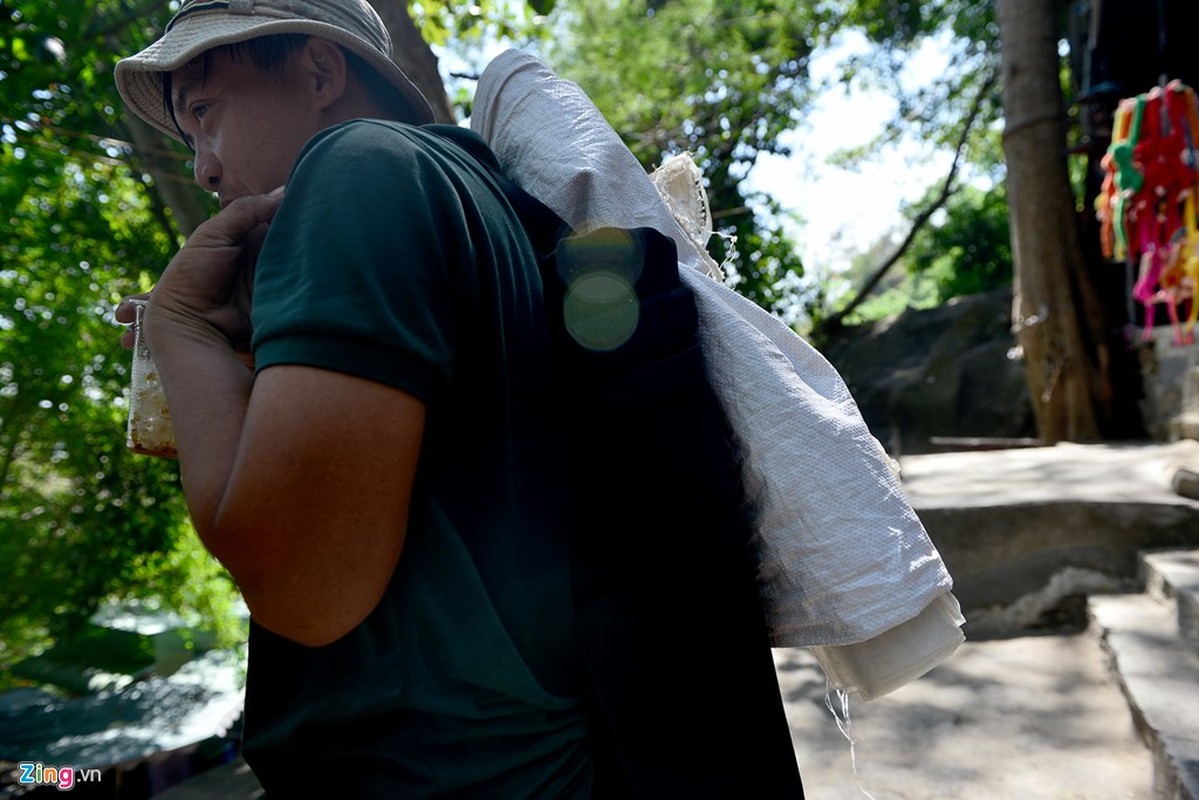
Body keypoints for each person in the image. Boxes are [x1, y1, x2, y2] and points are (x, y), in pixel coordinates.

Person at [113, 1, 804, 796]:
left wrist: (183, 332)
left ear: (317, 70)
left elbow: (303, 586)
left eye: (205, 112)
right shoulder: (469, 194)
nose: (201, 165)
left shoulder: (353, 169)